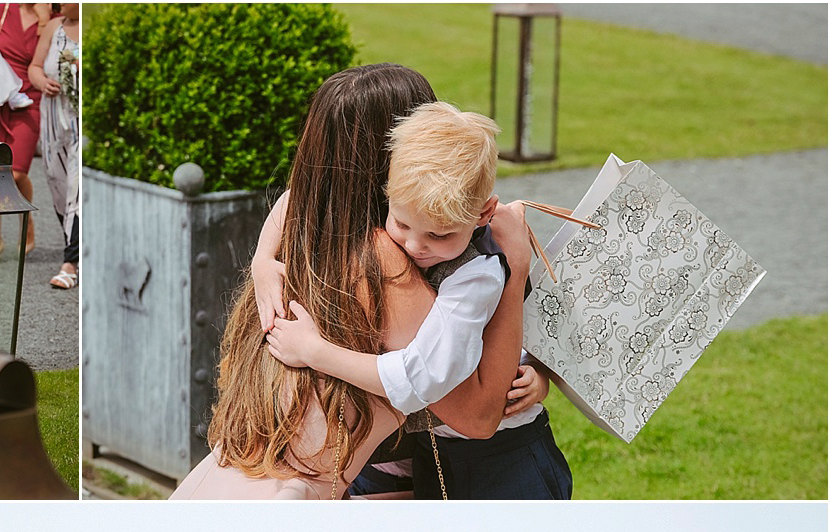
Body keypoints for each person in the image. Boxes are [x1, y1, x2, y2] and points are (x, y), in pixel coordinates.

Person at [170, 64, 531, 500]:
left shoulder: (304, 228)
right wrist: (513, 271)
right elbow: (477, 416)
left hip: (234, 473)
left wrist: (263, 260)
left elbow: (290, 198)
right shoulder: (382, 263)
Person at [260, 101, 569, 499]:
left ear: (484, 213)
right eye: (402, 223)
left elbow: (417, 379)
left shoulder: (478, 276)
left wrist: (314, 351)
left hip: (502, 465)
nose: (415, 245)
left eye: (439, 236)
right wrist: (263, 259)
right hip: (435, 454)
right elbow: (307, 196)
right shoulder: (432, 212)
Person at [0, 3, 50, 257]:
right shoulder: (2, 10)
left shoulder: (55, 19)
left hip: (29, 100)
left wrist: (45, 20)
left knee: (15, 173)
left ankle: (25, 222)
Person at [29, 2, 79, 290]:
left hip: (80, 122)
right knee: (58, 184)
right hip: (52, 120)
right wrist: (41, 81)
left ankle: (69, 264)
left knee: (76, 187)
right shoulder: (53, 26)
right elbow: (34, 66)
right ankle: (75, 248)